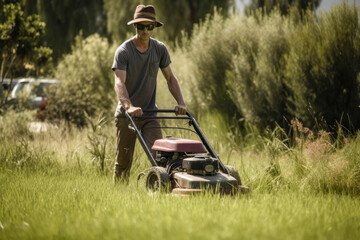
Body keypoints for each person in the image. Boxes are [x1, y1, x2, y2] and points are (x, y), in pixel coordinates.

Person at [111, 5, 187, 183]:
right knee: (123, 161)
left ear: (154, 27)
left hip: (150, 114)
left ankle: (164, 190)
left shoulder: (159, 49)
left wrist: (181, 103)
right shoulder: (124, 51)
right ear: (135, 26)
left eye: (149, 27)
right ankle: (119, 197)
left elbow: (170, 78)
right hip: (126, 116)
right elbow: (119, 82)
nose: (145, 30)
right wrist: (129, 107)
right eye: (141, 26)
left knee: (160, 158)